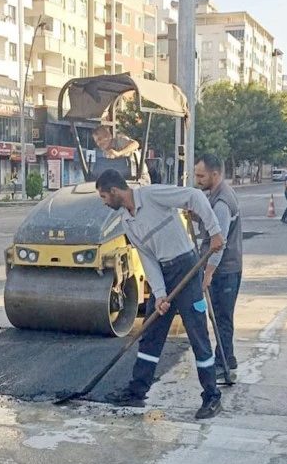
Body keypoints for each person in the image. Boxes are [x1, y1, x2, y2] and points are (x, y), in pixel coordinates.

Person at [95, 169, 226, 419]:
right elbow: (147, 257)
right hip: (163, 274)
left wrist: (215, 231)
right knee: (151, 333)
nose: (103, 202)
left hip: (186, 267)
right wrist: (160, 294)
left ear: (114, 191)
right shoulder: (127, 220)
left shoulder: (152, 195)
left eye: (103, 196)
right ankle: (137, 391)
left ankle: (211, 396)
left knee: (197, 333)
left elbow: (194, 197)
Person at [194, 153, 243, 383]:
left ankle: (222, 365)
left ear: (215, 174)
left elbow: (219, 242)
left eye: (201, 175)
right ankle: (228, 358)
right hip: (225, 268)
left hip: (225, 270)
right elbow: (210, 224)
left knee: (222, 318)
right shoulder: (215, 195)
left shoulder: (222, 202)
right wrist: (196, 217)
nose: (197, 179)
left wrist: (209, 273)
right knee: (222, 318)